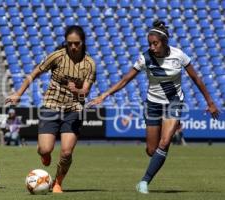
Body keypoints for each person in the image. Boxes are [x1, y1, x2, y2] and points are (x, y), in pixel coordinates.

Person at [89, 20, 219, 194]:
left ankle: (144, 182)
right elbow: (125, 80)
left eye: (155, 43)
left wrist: (210, 102)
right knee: (152, 150)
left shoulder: (179, 55)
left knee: (164, 143)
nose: (152, 47)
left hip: (174, 102)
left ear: (164, 42)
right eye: (149, 44)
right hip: (152, 104)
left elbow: (197, 79)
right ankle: (157, 157)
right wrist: (104, 95)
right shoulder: (145, 58)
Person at [5, 25, 96, 193]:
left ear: (83, 42)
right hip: (51, 106)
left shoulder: (90, 64)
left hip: (74, 109)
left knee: (66, 153)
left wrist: (78, 91)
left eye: (76, 43)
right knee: (45, 149)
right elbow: (34, 74)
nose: (73, 47)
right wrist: (18, 93)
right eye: (70, 43)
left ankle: (58, 183)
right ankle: (44, 154)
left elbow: (85, 92)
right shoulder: (57, 56)